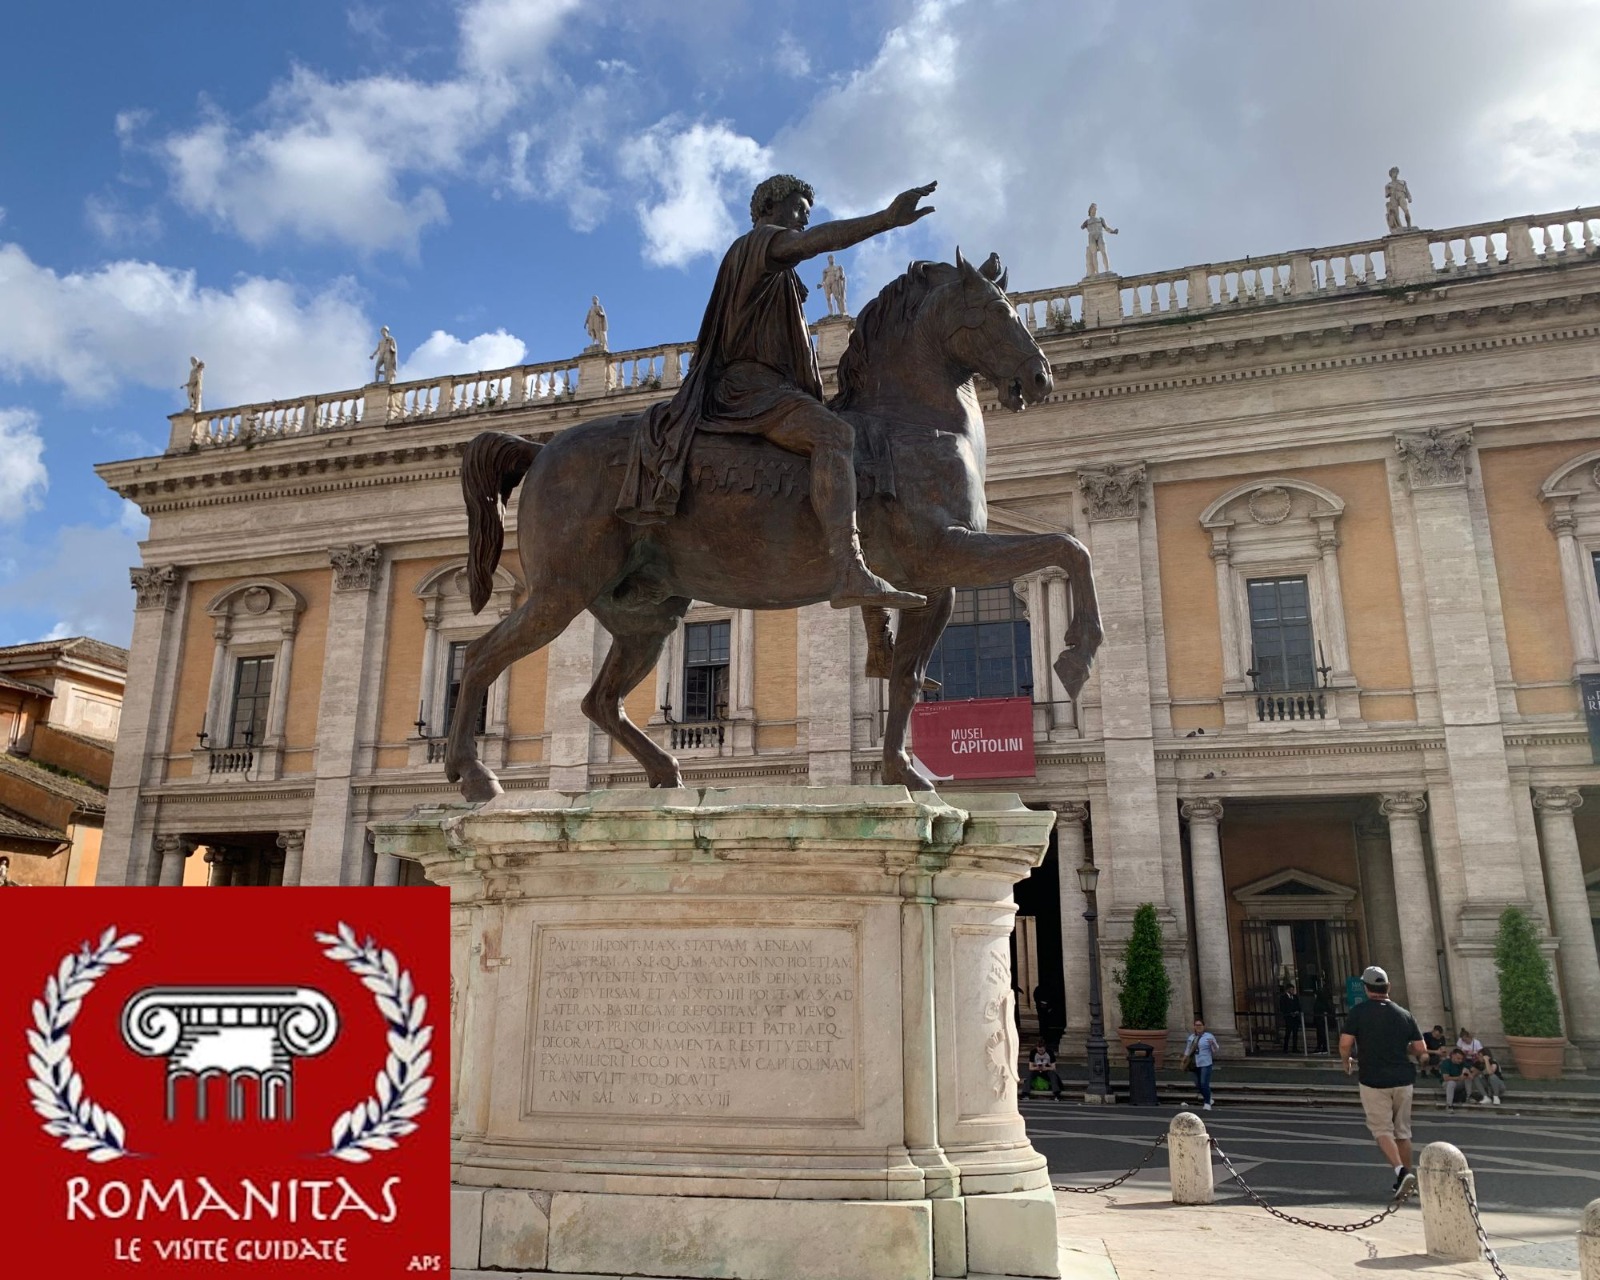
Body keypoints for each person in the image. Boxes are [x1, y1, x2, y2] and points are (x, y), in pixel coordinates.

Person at [615, 173, 937, 611]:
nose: (803, 221)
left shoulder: (774, 270)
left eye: (806, 215)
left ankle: (874, 616)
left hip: (772, 389)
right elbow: (813, 244)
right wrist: (885, 219)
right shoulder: (757, 246)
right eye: (799, 211)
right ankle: (848, 569)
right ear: (770, 208)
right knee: (835, 437)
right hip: (750, 390)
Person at [1340, 965, 1428, 1198]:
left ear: (1366, 989)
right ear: (1388, 987)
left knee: (1381, 1129)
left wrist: (1346, 1061)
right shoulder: (1404, 1014)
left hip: (1374, 1079)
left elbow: (1345, 1043)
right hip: (1403, 1079)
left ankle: (1401, 1173)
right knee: (1403, 1132)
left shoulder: (1359, 1012)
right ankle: (1408, 1180)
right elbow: (1420, 1048)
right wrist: (1403, 1047)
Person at [1183, 1016, 1221, 1111]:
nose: (1198, 1027)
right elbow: (1188, 1049)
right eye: (1196, 1025)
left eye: (1200, 1025)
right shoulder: (1191, 1037)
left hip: (1205, 1063)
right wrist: (1184, 1059)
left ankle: (1207, 1103)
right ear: (1194, 1026)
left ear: (1204, 1026)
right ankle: (1209, 1098)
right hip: (1195, 1063)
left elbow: (1215, 1049)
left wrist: (1212, 1043)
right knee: (1198, 1084)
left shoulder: (1209, 1036)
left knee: (1204, 1083)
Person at [1082, 202, 1118, 276]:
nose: (1095, 211)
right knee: (1094, 254)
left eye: (1096, 209)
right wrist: (1084, 225)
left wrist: (1113, 231)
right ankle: (1097, 272)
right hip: (1091, 236)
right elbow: (1082, 227)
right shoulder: (1087, 221)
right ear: (1090, 210)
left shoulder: (1100, 219)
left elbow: (1106, 228)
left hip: (1099, 234)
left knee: (1104, 252)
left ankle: (1107, 269)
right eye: (1093, 209)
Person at [1384, 166, 1413, 233]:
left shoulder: (1403, 182)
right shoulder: (1388, 185)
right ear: (1391, 174)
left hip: (1401, 195)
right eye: (1394, 172)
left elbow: (1407, 190)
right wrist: (1388, 189)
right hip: (1393, 197)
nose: (1395, 174)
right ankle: (1400, 228)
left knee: (1406, 211)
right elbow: (1386, 195)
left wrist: (1409, 197)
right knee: (1396, 214)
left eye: (1396, 172)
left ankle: (1409, 226)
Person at [1279, 983, 1302, 1053]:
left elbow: (1298, 1006)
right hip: (1288, 1018)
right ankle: (1285, 1048)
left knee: (1295, 1033)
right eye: (1291, 989)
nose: (1292, 991)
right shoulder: (1283, 997)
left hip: (1295, 1018)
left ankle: (1295, 1048)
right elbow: (1283, 1007)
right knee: (1288, 1033)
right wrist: (1289, 1013)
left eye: (1293, 989)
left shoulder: (1295, 997)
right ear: (1288, 990)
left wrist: (1297, 1012)